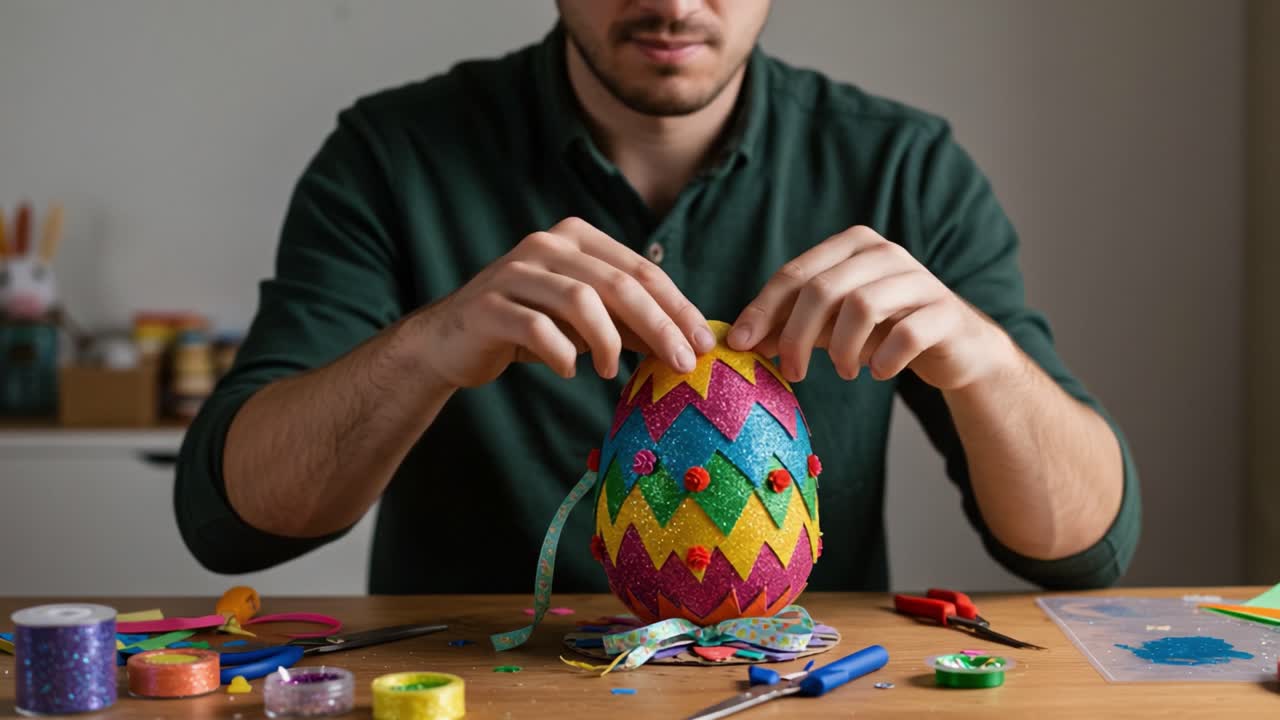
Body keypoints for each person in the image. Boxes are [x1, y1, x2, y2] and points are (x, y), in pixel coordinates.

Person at [174, 0, 1139, 595]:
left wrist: (984, 361)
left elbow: (1084, 549)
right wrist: (429, 345)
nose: (673, 2)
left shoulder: (905, 170)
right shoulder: (392, 158)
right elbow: (234, 521)